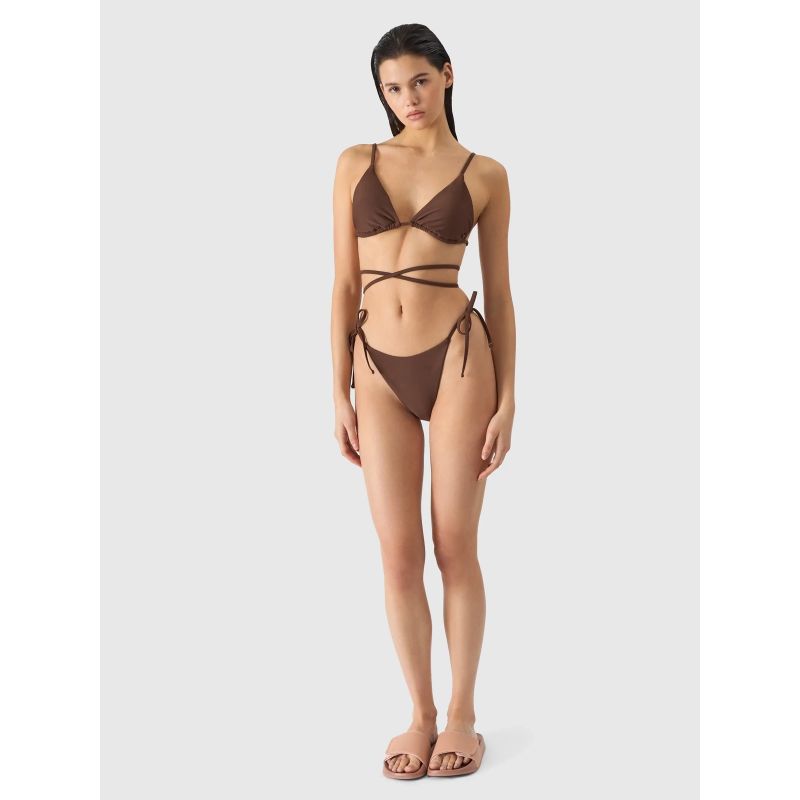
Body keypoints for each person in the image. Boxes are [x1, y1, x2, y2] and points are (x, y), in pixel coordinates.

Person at [331, 23, 516, 779]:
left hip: (460, 360)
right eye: (392, 87)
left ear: (447, 75)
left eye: (418, 80)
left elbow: (500, 293)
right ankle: (420, 713)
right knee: (398, 552)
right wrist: (336, 391)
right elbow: (343, 284)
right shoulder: (356, 163)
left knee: (454, 545)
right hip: (375, 367)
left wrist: (510, 400)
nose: (407, 98)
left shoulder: (485, 173)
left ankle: (464, 714)